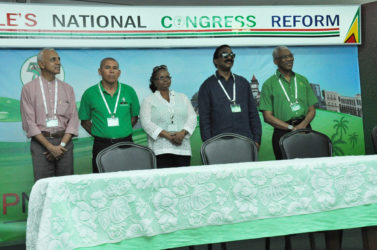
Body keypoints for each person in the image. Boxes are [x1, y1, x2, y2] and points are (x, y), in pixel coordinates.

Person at [20, 48, 79, 182]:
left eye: (59, 59)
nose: (58, 63)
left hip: (65, 143)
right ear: (41, 64)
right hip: (41, 144)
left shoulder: (68, 88)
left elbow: (73, 120)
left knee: (66, 185)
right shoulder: (28, 89)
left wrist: (61, 147)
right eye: (53, 59)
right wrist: (50, 147)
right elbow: (29, 122)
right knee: (43, 187)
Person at [79, 57, 140, 173]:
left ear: (119, 72)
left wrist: (121, 131)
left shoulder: (129, 91)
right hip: (101, 145)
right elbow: (85, 121)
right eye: (107, 67)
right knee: (102, 179)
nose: (111, 71)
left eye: (115, 68)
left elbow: (134, 117)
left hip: (126, 143)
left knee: (127, 178)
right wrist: (101, 134)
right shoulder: (89, 93)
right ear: (99, 71)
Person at [259, 46, 318, 160]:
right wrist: (291, 128)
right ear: (276, 61)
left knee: (309, 166)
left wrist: (303, 125)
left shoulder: (302, 80)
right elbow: (267, 117)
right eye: (284, 57)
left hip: (305, 129)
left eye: (291, 56)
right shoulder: (268, 84)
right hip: (282, 132)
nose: (289, 59)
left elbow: (312, 109)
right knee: (285, 169)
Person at [198, 44, 262, 147]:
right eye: (225, 54)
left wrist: (257, 140)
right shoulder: (207, 86)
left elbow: (253, 114)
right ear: (215, 60)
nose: (229, 57)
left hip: (246, 141)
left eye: (232, 55)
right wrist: (209, 146)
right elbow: (204, 120)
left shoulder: (243, 83)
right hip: (219, 144)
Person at [140, 65, 197, 168]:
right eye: (161, 77)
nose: (165, 80)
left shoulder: (183, 97)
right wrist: (167, 135)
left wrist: (182, 133)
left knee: (182, 181)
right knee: (164, 182)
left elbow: (192, 118)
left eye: (168, 77)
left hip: (182, 149)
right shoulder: (148, 100)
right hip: (160, 150)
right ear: (154, 81)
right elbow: (145, 122)